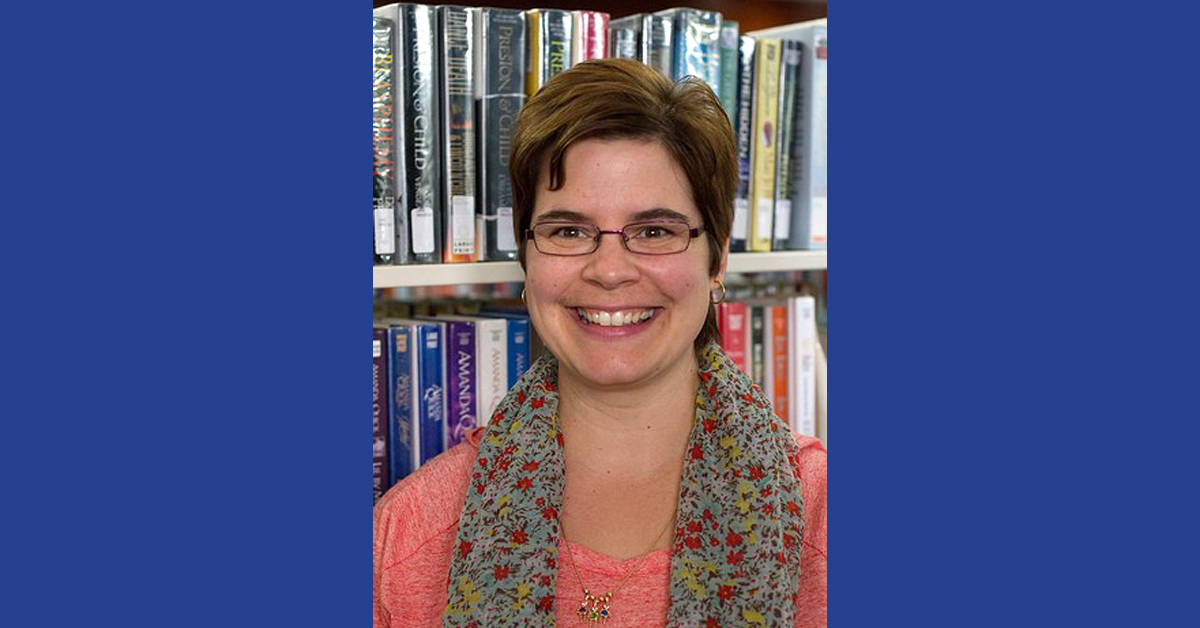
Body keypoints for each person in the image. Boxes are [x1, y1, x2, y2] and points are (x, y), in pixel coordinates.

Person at [374, 58, 826, 628]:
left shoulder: (824, 514)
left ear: (718, 258)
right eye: (568, 231)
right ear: (526, 257)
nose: (610, 271)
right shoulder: (407, 532)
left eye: (655, 231)